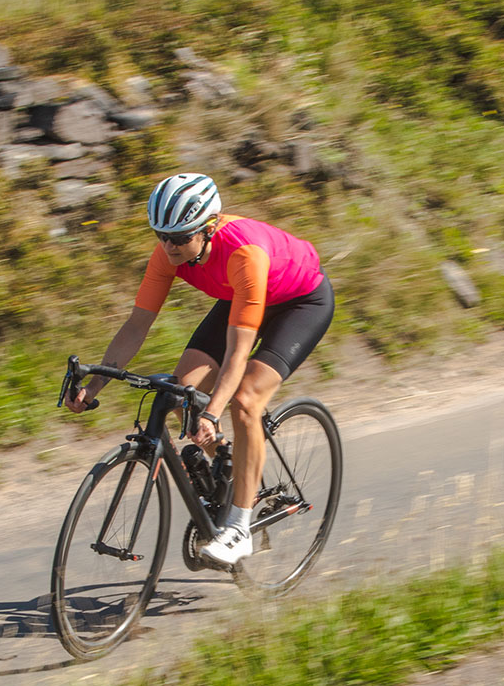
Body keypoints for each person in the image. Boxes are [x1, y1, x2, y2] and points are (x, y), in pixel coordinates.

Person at [64, 173, 335, 566]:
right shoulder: (168, 254)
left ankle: (240, 529)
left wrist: (213, 412)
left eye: (179, 237)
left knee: (244, 402)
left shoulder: (243, 253)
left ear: (208, 229)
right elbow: (136, 326)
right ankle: (231, 464)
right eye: (161, 236)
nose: (169, 246)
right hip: (242, 295)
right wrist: (95, 385)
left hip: (300, 302)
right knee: (178, 392)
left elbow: (236, 355)